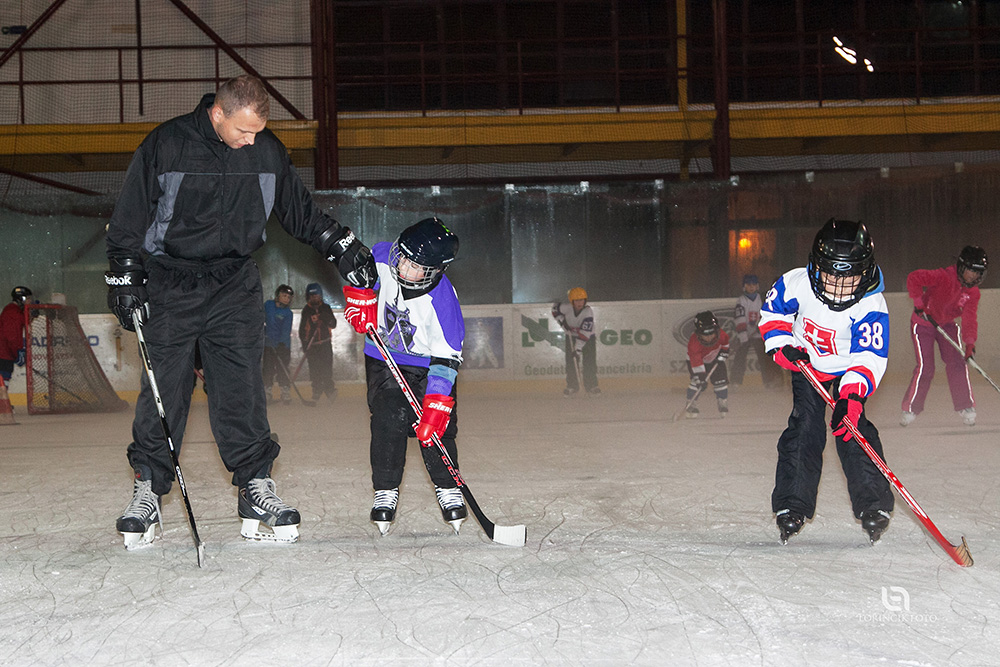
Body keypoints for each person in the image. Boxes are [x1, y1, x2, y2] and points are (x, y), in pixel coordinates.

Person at [104, 74, 376, 549]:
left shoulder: (265, 151)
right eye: (244, 131)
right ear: (218, 113)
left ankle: (255, 485)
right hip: (171, 280)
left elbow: (299, 212)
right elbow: (130, 213)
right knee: (164, 388)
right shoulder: (167, 144)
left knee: (241, 388)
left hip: (233, 282)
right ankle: (148, 487)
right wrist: (125, 273)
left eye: (257, 132)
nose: (251, 141)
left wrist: (342, 245)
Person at [759, 218, 894, 546]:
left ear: (865, 272)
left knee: (853, 430)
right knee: (805, 427)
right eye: (831, 275)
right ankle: (792, 504)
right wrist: (783, 346)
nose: (838, 285)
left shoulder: (872, 304)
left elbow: (869, 356)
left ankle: (874, 504)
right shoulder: (796, 282)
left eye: (849, 277)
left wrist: (852, 397)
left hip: (849, 369)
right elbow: (774, 313)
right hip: (807, 364)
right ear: (816, 266)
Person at [341, 217, 467, 536]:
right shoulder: (382, 258)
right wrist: (359, 298)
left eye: (415, 267)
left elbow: (446, 360)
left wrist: (436, 402)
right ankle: (386, 489)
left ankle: (447, 486)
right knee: (387, 418)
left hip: (427, 366)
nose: (403, 268)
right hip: (382, 357)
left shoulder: (443, 302)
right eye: (402, 258)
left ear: (436, 271)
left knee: (436, 428)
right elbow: (357, 272)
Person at [900, 246, 987, 427]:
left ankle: (965, 405)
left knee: (957, 362)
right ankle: (911, 407)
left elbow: (969, 318)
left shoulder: (973, 292)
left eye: (977, 273)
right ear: (962, 267)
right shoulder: (943, 276)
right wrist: (918, 303)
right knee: (926, 367)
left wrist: (970, 343)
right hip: (923, 323)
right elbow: (914, 278)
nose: (973, 276)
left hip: (946, 324)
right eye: (971, 271)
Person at [731, 274, 782, 389]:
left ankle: (768, 381)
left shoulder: (761, 299)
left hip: (759, 335)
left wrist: (762, 326)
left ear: (757, 286)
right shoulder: (742, 300)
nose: (751, 287)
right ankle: (735, 381)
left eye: (754, 285)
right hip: (745, 334)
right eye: (748, 285)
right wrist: (743, 335)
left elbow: (767, 314)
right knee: (740, 357)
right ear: (744, 286)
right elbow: (739, 317)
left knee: (764, 358)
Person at [552, 287, 600, 396]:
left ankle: (592, 386)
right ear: (572, 301)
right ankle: (572, 386)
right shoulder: (567, 308)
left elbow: (585, 334)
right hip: (572, 337)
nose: (580, 303)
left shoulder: (588, 312)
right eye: (577, 300)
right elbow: (555, 308)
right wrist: (561, 321)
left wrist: (577, 350)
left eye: (582, 300)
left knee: (589, 361)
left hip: (588, 338)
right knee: (571, 362)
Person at [683, 311, 730, 418]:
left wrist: (723, 354)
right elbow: (696, 361)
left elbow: (725, 345)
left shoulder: (722, 335)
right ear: (698, 333)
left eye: (711, 333)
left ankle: (722, 401)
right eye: (705, 334)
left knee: (720, 381)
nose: (708, 337)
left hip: (715, 359)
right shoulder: (694, 344)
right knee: (697, 382)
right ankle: (691, 403)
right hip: (695, 362)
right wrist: (700, 377)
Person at [298, 282, 337, 401]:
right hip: (313, 346)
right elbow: (302, 329)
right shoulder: (306, 310)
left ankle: (330, 391)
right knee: (314, 370)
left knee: (327, 369)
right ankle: (316, 390)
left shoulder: (326, 308)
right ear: (308, 297)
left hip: (325, 344)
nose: (315, 298)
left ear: (321, 296)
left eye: (317, 296)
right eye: (312, 296)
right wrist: (305, 344)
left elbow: (333, 324)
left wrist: (325, 317)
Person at [263, 284, 295, 404]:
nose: (286, 299)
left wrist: (281, 343)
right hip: (268, 344)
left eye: (288, 297)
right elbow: (261, 318)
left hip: (282, 346)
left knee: (282, 368)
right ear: (278, 295)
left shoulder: (288, 313)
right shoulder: (268, 305)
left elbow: (286, 330)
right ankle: (267, 391)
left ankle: (285, 391)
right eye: (284, 295)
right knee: (268, 368)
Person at [1, 286, 32, 384]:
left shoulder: (14, 311)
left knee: (3, 386)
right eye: (28, 299)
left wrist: (30, 315)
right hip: (4, 356)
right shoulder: (12, 312)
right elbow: (11, 337)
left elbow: (23, 321)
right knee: (2, 387)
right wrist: (16, 353)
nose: (30, 301)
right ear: (21, 299)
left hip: (6, 355)